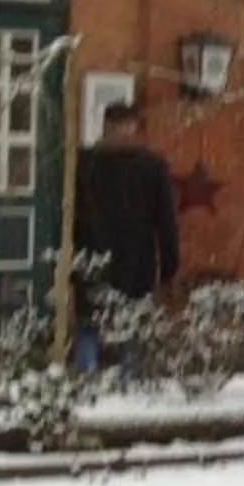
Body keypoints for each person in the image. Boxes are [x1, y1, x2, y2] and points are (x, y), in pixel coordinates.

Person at [73, 101, 179, 371]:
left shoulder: (86, 164)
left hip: (103, 256)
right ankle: (116, 380)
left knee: (97, 321)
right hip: (119, 256)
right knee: (118, 324)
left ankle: (93, 378)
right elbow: (165, 220)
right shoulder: (147, 166)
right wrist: (169, 265)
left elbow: (165, 219)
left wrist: (169, 264)